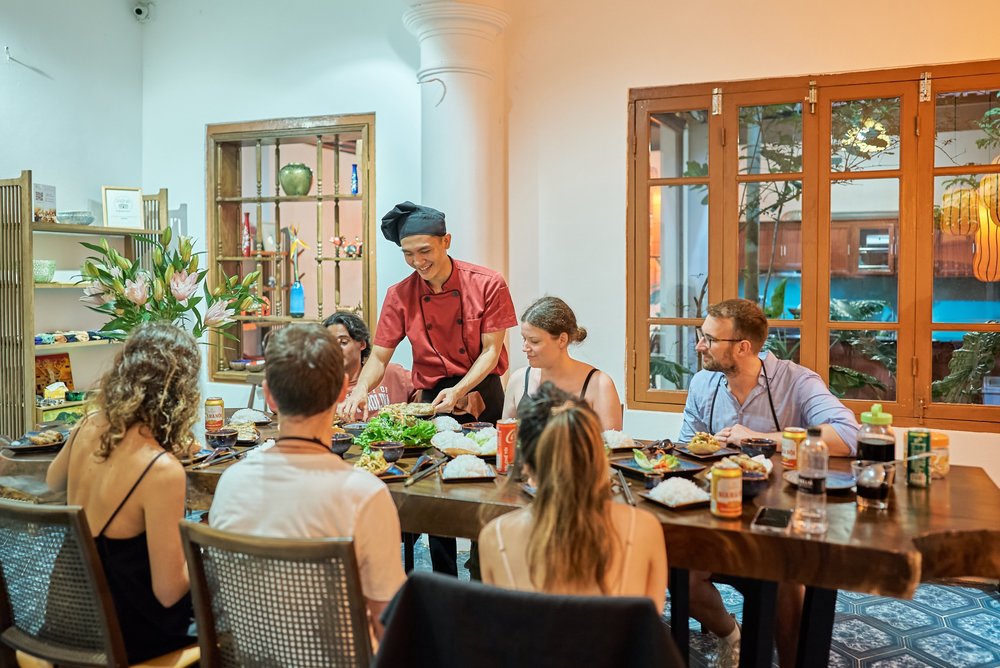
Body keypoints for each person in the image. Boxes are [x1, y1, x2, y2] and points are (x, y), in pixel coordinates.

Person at [678, 298, 860, 667]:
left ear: (742, 347)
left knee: (784, 581)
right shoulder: (703, 383)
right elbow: (685, 449)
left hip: (781, 516)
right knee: (681, 573)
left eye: (709, 339)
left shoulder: (797, 381)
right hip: (721, 510)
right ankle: (732, 636)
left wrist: (760, 438)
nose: (700, 346)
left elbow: (848, 436)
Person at [339, 201, 518, 576]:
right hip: (429, 401)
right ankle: (444, 582)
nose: (418, 261)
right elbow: (379, 356)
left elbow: (492, 351)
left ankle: (485, 575)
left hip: (482, 394)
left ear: (446, 241)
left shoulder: (487, 283)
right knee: (437, 489)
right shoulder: (400, 294)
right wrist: (359, 389)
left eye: (425, 251)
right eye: (408, 254)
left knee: (484, 486)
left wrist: (459, 391)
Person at [209, 324, 406, 640]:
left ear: (269, 395)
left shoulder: (232, 481)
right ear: (344, 390)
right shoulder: (365, 495)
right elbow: (390, 625)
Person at [46, 322, 198, 663]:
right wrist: (205, 552)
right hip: (130, 637)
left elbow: (52, 481)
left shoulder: (89, 425)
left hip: (72, 626)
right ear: (179, 391)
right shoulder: (160, 470)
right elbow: (169, 591)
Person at [480, 382, 666, 608]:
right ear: (599, 456)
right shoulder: (646, 530)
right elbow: (649, 624)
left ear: (526, 464)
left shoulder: (494, 537)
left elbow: (500, 630)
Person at [502, 296, 623, 431]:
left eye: (534, 341)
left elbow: (612, 448)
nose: (525, 347)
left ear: (562, 340)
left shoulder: (600, 384)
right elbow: (504, 441)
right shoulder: (518, 380)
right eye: (524, 339)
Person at [324, 311, 415, 419]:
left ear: (362, 344)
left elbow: (426, 394)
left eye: (343, 342)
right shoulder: (320, 387)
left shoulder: (393, 374)